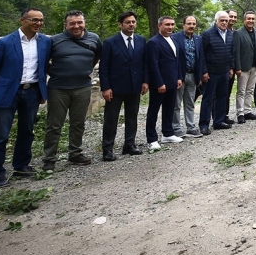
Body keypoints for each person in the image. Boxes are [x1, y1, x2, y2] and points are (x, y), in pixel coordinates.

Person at [0, 8, 50, 187]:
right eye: (34, 20)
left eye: (41, 20)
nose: (38, 24)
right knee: (1, 134)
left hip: (32, 92)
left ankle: (21, 165)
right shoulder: (4, 42)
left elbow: (44, 68)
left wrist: (43, 92)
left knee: (27, 131)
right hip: (6, 94)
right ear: (22, 20)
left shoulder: (44, 42)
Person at [42, 10, 101, 171]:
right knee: (54, 125)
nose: (76, 26)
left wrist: (85, 69)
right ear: (65, 25)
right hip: (58, 88)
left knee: (78, 122)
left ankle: (75, 153)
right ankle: (49, 158)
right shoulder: (54, 40)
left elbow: (97, 56)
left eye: (79, 22)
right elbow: (43, 60)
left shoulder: (94, 38)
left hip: (82, 87)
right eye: (72, 23)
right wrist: (54, 73)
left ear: (84, 23)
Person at [99, 11, 148, 161]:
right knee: (111, 119)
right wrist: (105, 87)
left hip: (134, 86)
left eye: (133, 22)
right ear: (120, 24)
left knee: (132, 117)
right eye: (128, 22)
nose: (131, 24)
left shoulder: (141, 40)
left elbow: (144, 63)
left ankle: (129, 144)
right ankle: (107, 149)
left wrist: (145, 81)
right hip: (115, 88)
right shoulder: (110, 42)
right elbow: (104, 67)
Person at [145, 16, 185, 149]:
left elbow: (177, 60)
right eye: (167, 25)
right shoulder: (154, 42)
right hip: (160, 84)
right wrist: (159, 83)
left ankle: (168, 133)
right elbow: (153, 65)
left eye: (172, 25)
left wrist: (179, 77)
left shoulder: (173, 39)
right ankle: (151, 138)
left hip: (173, 81)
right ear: (159, 26)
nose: (170, 27)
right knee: (154, 110)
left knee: (169, 108)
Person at [199, 11, 235, 134]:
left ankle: (218, 121)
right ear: (216, 21)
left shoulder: (230, 34)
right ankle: (204, 124)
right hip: (211, 73)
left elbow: (231, 53)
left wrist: (231, 68)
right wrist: (204, 71)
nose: (224, 22)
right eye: (222, 20)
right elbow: (202, 55)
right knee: (208, 99)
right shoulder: (208, 34)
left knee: (222, 97)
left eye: (226, 20)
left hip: (224, 71)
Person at [171, 15, 204, 137]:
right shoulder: (175, 38)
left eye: (194, 24)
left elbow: (200, 58)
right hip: (180, 76)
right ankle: (176, 128)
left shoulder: (198, 39)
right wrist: (177, 76)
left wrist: (199, 76)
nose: (191, 26)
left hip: (193, 75)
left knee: (190, 103)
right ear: (183, 25)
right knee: (176, 104)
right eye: (189, 23)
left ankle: (191, 127)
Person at [233, 10, 256, 123]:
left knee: (250, 90)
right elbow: (237, 52)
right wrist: (238, 67)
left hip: (255, 66)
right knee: (241, 90)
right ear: (244, 20)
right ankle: (240, 113)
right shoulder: (238, 33)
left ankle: (247, 111)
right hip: (243, 67)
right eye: (248, 19)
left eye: (252, 19)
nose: (251, 21)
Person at [222, 9, 239, 125]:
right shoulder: (219, 31)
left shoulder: (234, 32)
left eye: (234, 17)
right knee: (217, 94)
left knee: (227, 93)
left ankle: (225, 115)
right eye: (230, 16)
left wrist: (233, 67)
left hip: (231, 68)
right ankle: (217, 116)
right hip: (218, 68)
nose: (232, 19)